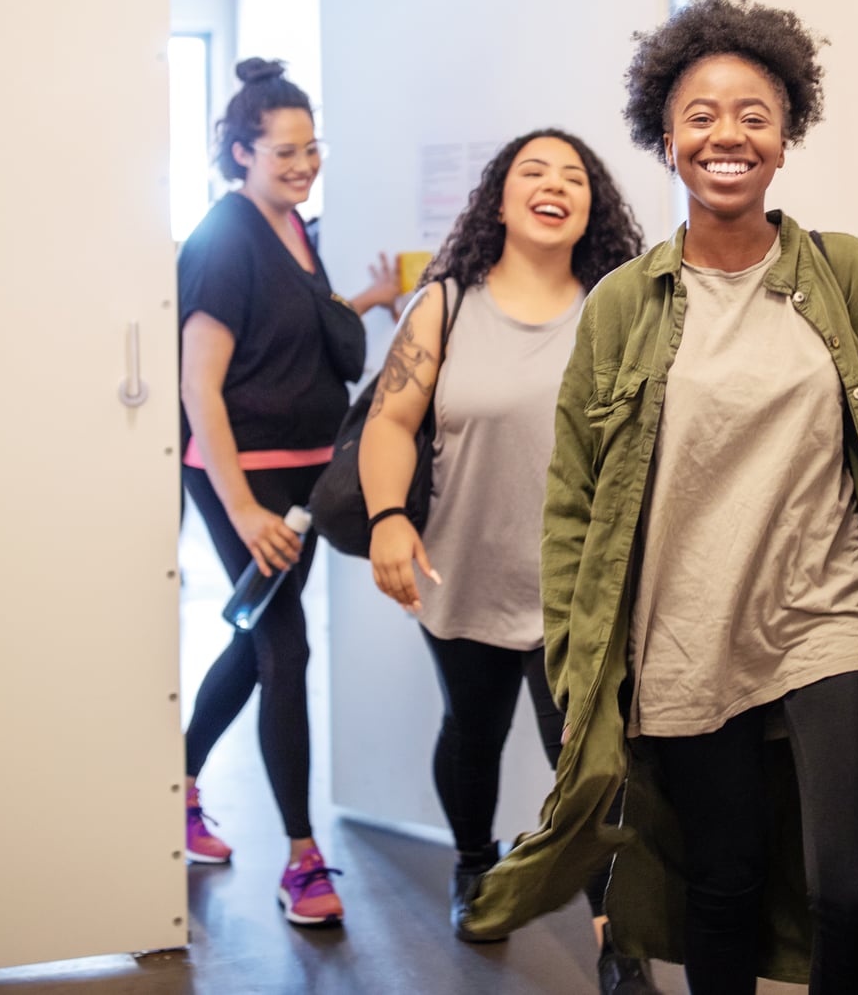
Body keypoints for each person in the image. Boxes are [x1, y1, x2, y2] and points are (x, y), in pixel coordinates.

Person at [462, 0, 858, 994]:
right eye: (699, 116)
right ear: (664, 139)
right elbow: (571, 506)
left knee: (851, 883)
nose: (726, 135)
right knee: (723, 886)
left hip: (829, 618)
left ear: (785, 136)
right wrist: (581, 677)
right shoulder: (624, 304)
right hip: (683, 633)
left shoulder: (846, 278)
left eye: (753, 114)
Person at [359, 129, 659, 995]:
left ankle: (619, 939)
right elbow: (388, 422)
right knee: (471, 732)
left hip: (580, 590)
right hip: (464, 572)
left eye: (574, 175)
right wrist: (386, 516)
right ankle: (473, 861)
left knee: (590, 759)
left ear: (591, 207)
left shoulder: (617, 305)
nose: (554, 184)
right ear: (501, 198)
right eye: (534, 170)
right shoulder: (443, 305)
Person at [177, 58, 400, 926]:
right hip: (246, 480)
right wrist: (241, 509)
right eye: (284, 154)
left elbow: (292, 322)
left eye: (313, 150)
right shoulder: (223, 238)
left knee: (257, 636)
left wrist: (369, 299)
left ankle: (176, 785)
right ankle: (303, 857)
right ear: (240, 154)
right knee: (287, 647)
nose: (304, 166)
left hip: (307, 470)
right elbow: (203, 386)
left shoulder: (294, 227)